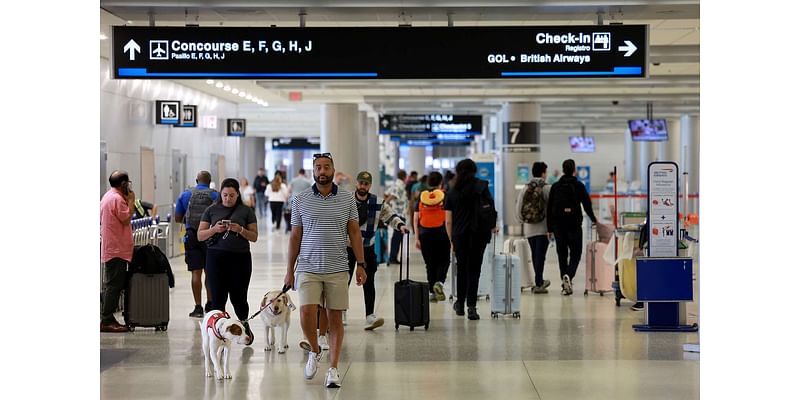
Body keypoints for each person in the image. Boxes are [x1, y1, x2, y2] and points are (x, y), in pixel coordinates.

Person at [284, 152, 367, 389]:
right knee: (306, 313)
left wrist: (361, 264)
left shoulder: (348, 200)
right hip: (308, 267)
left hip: (338, 267)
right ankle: (315, 350)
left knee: (334, 318)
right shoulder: (299, 199)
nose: (322, 171)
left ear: (333, 170)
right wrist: (289, 270)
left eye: (326, 167)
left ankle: (333, 369)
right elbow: (295, 236)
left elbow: (354, 233)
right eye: (318, 167)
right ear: (313, 171)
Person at [196, 178, 258, 345]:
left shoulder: (246, 211)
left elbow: (254, 237)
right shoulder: (211, 210)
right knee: (217, 298)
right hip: (216, 258)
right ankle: (219, 331)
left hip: (240, 259)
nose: (228, 199)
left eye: (231, 195)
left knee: (239, 298)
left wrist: (240, 229)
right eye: (225, 195)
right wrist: (215, 229)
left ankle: (244, 325)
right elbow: (200, 235)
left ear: (238, 195)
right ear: (220, 194)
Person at [348, 171, 408, 330]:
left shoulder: (377, 202)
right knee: (342, 281)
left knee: (369, 281)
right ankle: (340, 313)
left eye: (366, 184)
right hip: (346, 247)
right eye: (360, 183)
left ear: (370, 185)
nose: (363, 186)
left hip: (367, 247)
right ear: (356, 183)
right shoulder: (346, 200)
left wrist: (400, 225)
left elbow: (390, 216)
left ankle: (369, 316)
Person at [445, 159, 496, 320]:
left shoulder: (452, 192)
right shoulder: (482, 187)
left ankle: (460, 304)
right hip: (479, 234)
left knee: (462, 270)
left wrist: (451, 240)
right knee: (475, 270)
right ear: (475, 170)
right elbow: (491, 210)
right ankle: (472, 307)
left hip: (460, 236)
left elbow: (448, 220)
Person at [547, 159, 598, 295]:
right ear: (574, 170)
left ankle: (565, 285)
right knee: (575, 253)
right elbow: (587, 204)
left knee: (562, 255)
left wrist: (549, 228)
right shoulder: (578, 185)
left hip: (558, 226)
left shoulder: (556, 186)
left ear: (563, 170)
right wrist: (594, 219)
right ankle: (569, 275)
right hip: (574, 225)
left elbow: (549, 208)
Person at [174, 171, 219, 318]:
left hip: (192, 235)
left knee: (196, 272)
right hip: (209, 235)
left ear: (196, 180)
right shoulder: (214, 195)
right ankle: (210, 304)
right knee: (210, 271)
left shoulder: (185, 194)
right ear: (209, 181)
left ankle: (198, 307)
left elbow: (177, 218)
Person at [100, 171, 136, 333]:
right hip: (116, 249)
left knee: (113, 284)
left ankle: (108, 318)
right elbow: (126, 218)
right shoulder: (117, 199)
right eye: (128, 183)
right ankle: (106, 319)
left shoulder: (108, 196)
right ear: (123, 184)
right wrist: (132, 201)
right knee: (114, 286)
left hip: (113, 248)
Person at [413, 171, 450, 302]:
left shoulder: (422, 197)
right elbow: (449, 218)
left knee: (430, 263)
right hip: (442, 232)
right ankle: (439, 282)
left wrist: (417, 238)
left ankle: (432, 293)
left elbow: (416, 218)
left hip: (425, 233)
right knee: (444, 260)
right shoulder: (445, 196)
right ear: (441, 183)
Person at [518, 162, 552, 294]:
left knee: (535, 255)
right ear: (543, 173)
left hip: (529, 228)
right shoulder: (547, 188)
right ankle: (538, 283)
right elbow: (551, 207)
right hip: (543, 228)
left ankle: (539, 280)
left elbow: (519, 207)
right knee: (540, 255)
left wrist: (522, 221)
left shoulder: (526, 188)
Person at [385, 169, 409, 265]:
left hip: (399, 213)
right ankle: (392, 257)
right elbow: (393, 195)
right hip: (399, 214)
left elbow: (387, 193)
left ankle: (393, 257)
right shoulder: (399, 185)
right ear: (405, 177)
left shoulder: (397, 184)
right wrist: (385, 204)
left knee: (397, 236)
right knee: (397, 237)